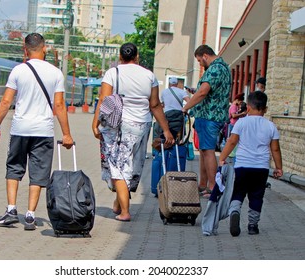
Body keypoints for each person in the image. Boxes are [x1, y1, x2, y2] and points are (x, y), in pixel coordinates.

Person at [0, 33, 74, 230]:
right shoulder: (55, 73)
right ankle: (30, 215)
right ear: (44, 48)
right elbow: (60, 105)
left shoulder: (18, 71)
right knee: (38, 172)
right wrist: (67, 134)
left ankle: (11, 210)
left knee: (14, 167)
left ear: (25, 49)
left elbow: (6, 101)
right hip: (44, 131)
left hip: (20, 128)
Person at [92, 42, 174, 222]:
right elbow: (155, 105)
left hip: (119, 126)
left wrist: (95, 123)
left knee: (118, 168)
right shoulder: (149, 75)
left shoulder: (113, 73)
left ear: (120, 57)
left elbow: (104, 100)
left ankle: (125, 211)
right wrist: (166, 130)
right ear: (137, 57)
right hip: (142, 126)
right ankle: (118, 202)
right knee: (130, 165)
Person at [219, 91, 283, 236]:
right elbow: (275, 149)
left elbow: (232, 142)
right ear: (265, 109)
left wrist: (222, 158)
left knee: (239, 191)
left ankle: (235, 211)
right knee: (256, 195)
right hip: (261, 168)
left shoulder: (241, 122)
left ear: (247, 107)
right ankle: (253, 225)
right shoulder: (271, 126)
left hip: (242, 166)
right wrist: (279, 168)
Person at [182, 44, 231, 197]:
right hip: (212, 116)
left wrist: (185, 108)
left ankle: (213, 186)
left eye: (199, 60)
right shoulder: (224, 68)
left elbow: (203, 92)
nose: (200, 64)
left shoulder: (215, 69)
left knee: (208, 152)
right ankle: (204, 184)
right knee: (204, 151)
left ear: (205, 56)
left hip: (210, 116)